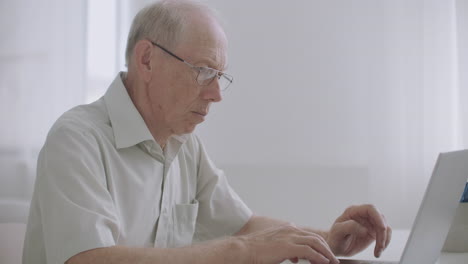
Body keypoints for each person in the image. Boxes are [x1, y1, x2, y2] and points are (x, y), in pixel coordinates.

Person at [22, 1, 392, 263]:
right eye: (204, 71)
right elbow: (89, 260)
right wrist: (242, 253)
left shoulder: (185, 145)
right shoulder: (76, 140)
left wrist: (325, 241)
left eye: (219, 77)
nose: (215, 94)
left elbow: (244, 226)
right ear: (147, 59)